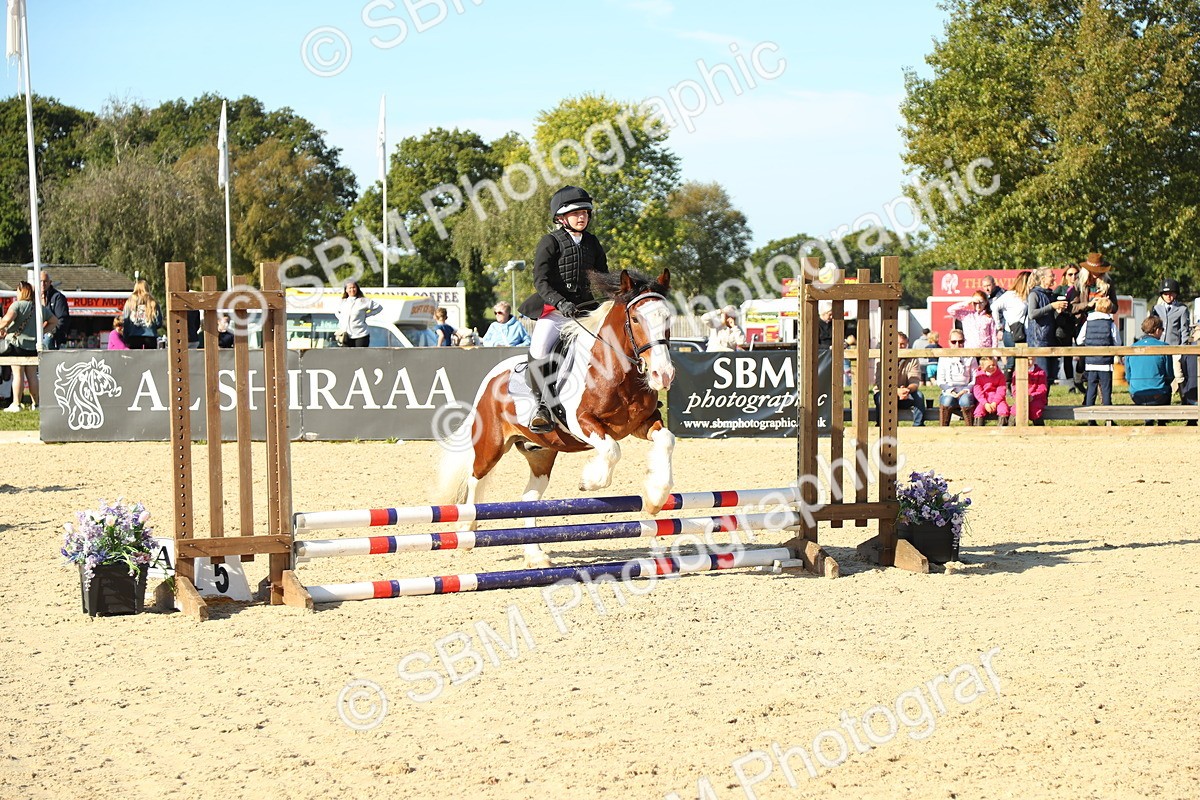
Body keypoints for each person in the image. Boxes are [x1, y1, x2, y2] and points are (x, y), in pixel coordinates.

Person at [517, 185, 609, 433]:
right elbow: (541, 281)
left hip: (585, 311)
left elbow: (603, 276)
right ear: (561, 218)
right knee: (539, 348)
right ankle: (541, 407)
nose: (582, 217)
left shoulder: (592, 243)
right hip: (555, 311)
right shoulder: (550, 242)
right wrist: (560, 302)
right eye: (576, 213)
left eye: (586, 213)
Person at [0, 280, 57, 411]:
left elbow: (7, 320)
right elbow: (54, 321)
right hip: (33, 346)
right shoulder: (38, 308)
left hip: (16, 345)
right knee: (32, 376)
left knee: (18, 374)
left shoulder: (17, 305)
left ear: (21, 291)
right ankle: (36, 404)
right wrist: (41, 331)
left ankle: (16, 404)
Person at [1068, 253, 1115, 391]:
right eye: (1094, 271)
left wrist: (1106, 303)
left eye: (1099, 272)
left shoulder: (1108, 283)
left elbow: (1116, 307)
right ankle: (1080, 382)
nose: (1096, 275)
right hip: (1084, 324)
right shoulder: (1078, 284)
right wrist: (1088, 304)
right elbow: (1071, 307)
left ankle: (1101, 395)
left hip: (1103, 325)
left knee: (1102, 360)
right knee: (1084, 360)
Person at [1124, 315, 1174, 426]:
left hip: (1136, 395)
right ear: (1157, 330)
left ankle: (1148, 420)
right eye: (1162, 329)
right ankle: (1162, 421)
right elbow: (1169, 375)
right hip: (1158, 396)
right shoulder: (1164, 347)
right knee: (1167, 388)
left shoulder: (1131, 348)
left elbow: (1128, 376)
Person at [1151, 278, 1192, 407]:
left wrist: (1182, 349)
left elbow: (1184, 330)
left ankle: (1185, 402)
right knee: (1162, 377)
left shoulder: (1182, 309)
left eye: (1171, 293)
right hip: (1160, 349)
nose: (1168, 296)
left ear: (1176, 294)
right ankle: (1163, 404)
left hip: (1175, 349)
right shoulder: (1156, 309)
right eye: (1165, 294)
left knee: (1179, 376)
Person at [1075, 295, 1119, 416]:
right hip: (1105, 364)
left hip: (1090, 363)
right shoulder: (1110, 324)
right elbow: (1117, 342)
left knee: (1091, 391)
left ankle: (1090, 418)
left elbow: (1079, 340)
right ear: (1109, 310)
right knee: (1106, 391)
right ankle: (1108, 418)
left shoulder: (1088, 322)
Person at [1025, 267, 1069, 381]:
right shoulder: (1034, 294)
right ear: (1043, 278)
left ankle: (1045, 399)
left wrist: (1058, 311)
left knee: (1050, 377)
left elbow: (1050, 316)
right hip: (1038, 341)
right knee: (1042, 375)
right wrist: (1052, 306)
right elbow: (1032, 314)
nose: (1054, 278)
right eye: (1051, 275)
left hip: (1051, 339)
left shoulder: (1051, 295)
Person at [875, 331, 924, 427]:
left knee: (919, 396)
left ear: (907, 345)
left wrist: (907, 390)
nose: (899, 347)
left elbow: (914, 381)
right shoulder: (880, 358)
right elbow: (880, 382)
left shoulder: (912, 358)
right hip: (885, 392)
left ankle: (918, 426)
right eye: (896, 344)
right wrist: (896, 391)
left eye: (902, 344)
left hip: (905, 393)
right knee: (880, 397)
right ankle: (881, 425)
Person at [992, 270, 1032, 375]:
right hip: (1012, 332)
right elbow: (994, 306)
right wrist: (998, 326)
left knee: (1025, 360)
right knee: (1012, 361)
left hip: (1026, 332)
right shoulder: (1010, 295)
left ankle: (1020, 385)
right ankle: (1007, 384)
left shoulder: (1028, 296)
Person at [936, 331, 976, 426]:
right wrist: (950, 390)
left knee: (965, 400)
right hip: (949, 390)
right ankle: (943, 429)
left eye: (960, 341)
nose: (957, 345)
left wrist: (966, 390)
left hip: (965, 390)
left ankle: (970, 429)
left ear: (964, 342)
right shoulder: (943, 357)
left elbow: (975, 378)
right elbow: (940, 380)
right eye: (954, 342)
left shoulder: (970, 357)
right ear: (949, 342)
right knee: (947, 400)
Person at [1053, 263, 1080, 387]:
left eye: (1076, 274)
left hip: (1079, 323)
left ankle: (1080, 378)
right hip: (1065, 324)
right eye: (1070, 274)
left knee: (1083, 353)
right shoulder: (1060, 289)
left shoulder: (1082, 288)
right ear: (1065, 275)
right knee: (1067, 355)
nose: (1073, 277)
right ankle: (1070, 384)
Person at [336, 281, 382, 348]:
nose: (352, 290)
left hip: (361, 334)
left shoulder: (364, 301)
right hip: (346, 335)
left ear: (357, 289)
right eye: (350, 288)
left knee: (359, 356)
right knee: (346, 357)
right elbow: (337, 312)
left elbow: (378, 308)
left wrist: (367, 314)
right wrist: (342, 321)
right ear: (346, 290)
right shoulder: (342, 302)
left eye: (354, 287)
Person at [121, 280, 162, 349]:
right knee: (151, 358)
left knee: (135, 358)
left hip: (133, 335)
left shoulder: (129, 302)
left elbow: (126, 321)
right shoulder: (153, 303)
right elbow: (158, 322)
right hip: (150, 335)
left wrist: (125, 336)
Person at [972, 356, 1010, 425]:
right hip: (984, 400)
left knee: (1003, 410)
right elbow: (977, 391)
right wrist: (985, 403)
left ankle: (1002, 429)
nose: (992, 367)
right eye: (989, 366)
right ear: (982, 367)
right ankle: (978, 431)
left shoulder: (1000, 375)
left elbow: (1001, 390)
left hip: (998, 400)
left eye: (994, 365)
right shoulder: (978, 376)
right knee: (978, 411)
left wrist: (995, 402)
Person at [40, 270, 70, 349]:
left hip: (54, 337)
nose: (42, 284)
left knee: (47, 340)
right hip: (37, 334)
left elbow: (62, 320)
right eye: (40, 281)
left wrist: (51, 332)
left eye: (45, 281)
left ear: (50, 282)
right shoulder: (34, 297)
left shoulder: (58, 297)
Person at [1027, 360, 1049, 425]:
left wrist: (1032, 396)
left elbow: (1042, 389)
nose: (1028, 362)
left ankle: (1040, 431)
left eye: (1030, 359)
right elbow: (1015, 388)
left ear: (1034, 358)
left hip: (1037, 398)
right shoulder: (1017, 373)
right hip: (1022, 398)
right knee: (1015, 410)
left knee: (1035, 409)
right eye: (1026, 360)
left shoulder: (1041, 372)